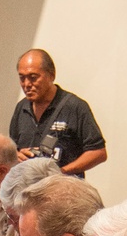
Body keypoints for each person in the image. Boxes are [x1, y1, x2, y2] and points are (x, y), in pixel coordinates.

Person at [7, 49, 106, 178]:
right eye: (22, 78)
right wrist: (16, 156)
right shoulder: (21, 108)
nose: (26, 84)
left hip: (65, 191)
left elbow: (98, 153)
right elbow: (12, 149)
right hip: (28, 191)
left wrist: (61, 172)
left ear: (51, 75)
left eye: (33, 78)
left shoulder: (75, 107)